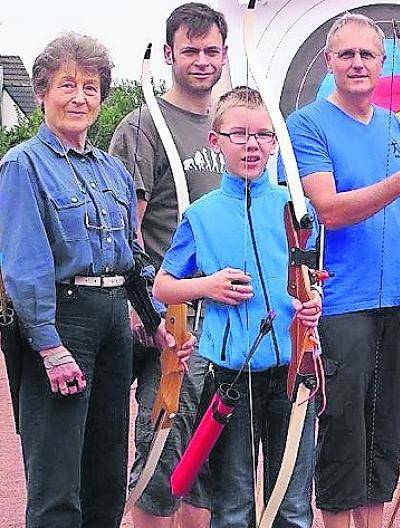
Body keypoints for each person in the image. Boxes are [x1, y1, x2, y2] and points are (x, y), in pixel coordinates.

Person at [0, 33, 194, 528]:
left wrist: (153, 322)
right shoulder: (23, 166)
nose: (80, 97)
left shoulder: (111, 170)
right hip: (61, 323)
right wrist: (48, 346)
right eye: (67, 84)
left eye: (91, 86)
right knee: (57, 484)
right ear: (41, 91)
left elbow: (131, 255)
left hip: (114, 326)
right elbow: (24, 267)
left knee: (107, 479)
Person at [283, 12, 400, 527]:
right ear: (329, 61)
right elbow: (327, 208)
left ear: (381, 64)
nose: (357, 63)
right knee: (342, 430)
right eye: (346, 54)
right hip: (341, 302)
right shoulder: (308, 124)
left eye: (367, 54)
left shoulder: (397, 126)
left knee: (384, 431)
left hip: (395, 300)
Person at [153, 86, 321, 528]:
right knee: (233, 506)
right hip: (232, 375)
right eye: (239, 134)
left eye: (264, 135)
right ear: (216, 141)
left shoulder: (295, 208)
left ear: (275, 143)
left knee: (293, 503)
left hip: (292, 371)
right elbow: (163, 287)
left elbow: (312, 282)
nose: (252, 145)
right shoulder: (202, 214)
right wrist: (207, 285)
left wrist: (312, 305)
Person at [109, 4, 228, 526]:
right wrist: (144, 307)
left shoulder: (230, 127)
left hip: (223, 312)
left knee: (205, 458)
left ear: (225, 56)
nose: (201, 61)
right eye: (190, 51)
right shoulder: (142, 126)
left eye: (211, 51)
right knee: (163, 445)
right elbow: (126, 230)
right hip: (170, 316)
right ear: (168, 55)